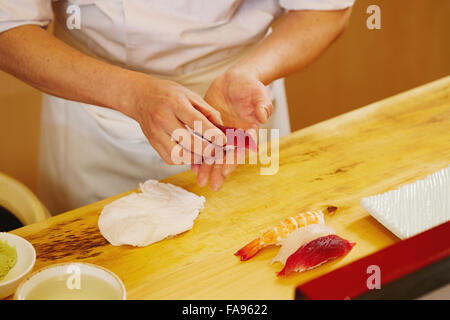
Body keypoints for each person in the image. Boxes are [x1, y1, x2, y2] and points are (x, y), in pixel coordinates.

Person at [0, 0, 353, 214]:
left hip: (241, 100)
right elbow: (8, 26)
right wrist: (131, 95)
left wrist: (251, 72)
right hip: (98, 106)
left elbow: (324, 9)